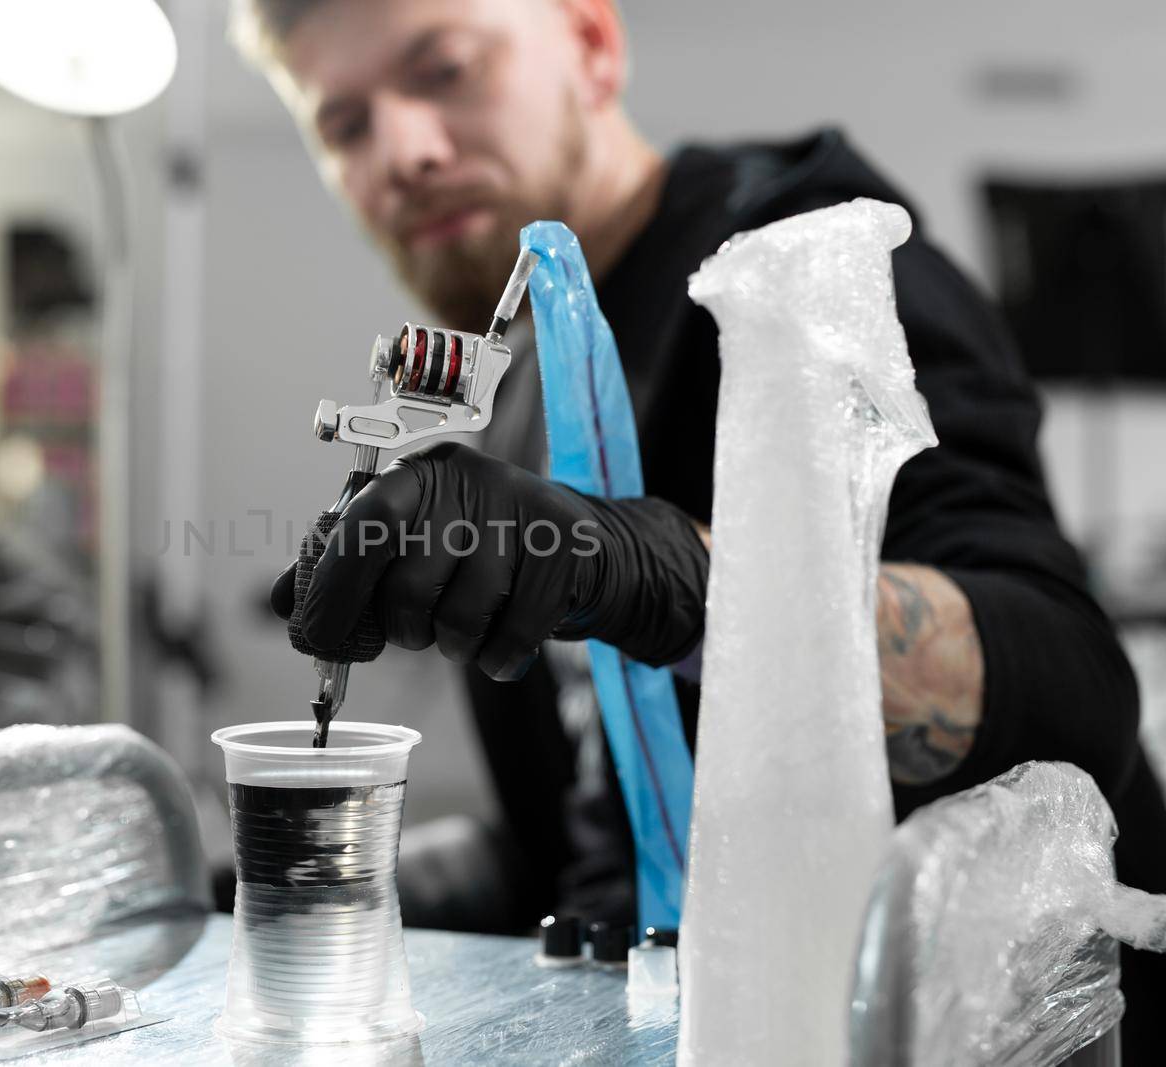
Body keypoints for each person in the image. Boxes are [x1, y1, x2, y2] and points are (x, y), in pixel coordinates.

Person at [233, 0, 1166, 1053]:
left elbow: (1069, 686)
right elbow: (603, 819)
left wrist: (666, 577)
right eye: (344, 124)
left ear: (590, 47)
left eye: (445, 69)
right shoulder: (527, 374)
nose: (403, 150)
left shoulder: (801, 266)